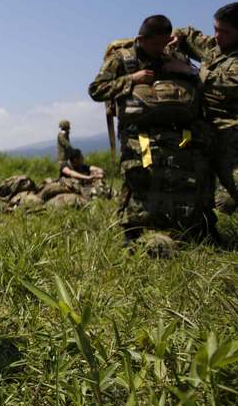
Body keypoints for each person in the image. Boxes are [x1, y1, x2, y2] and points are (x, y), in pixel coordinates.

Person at [88, 14, 215, 246]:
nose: (160, 49)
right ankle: (131, 232)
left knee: (182, 177)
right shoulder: (122, 59)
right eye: (155, 44)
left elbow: (197, 89)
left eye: (164, 43)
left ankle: (194, 227)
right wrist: (131, 80)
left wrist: (187, 70)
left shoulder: (173, 56)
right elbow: (96, 90)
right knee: (137, 177)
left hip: (176, 130)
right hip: (137, 132)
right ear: (141, 39)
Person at [171, 2, 238, 231]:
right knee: (193, 183)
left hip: (228, 127)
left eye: (224, 31)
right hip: (196, 124)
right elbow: (187, 33)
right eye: (215, 28)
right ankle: (201, 232)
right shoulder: (214, 45)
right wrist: (177, 38)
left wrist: (192, 71)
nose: (216, 36)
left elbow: (232, 85)